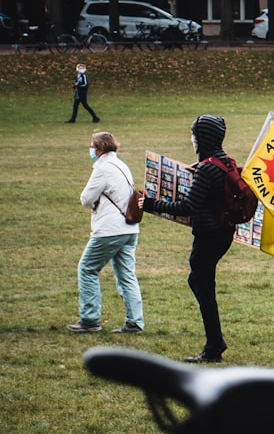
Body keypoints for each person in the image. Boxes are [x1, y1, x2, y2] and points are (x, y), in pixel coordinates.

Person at [141, 115, 235, 363]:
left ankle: (214, 346)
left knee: (203, 286)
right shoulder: (225, 162)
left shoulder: (206, 169)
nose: (192, 139)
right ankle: (215, 342)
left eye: (194, 135)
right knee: (199, 281)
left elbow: (188, 207)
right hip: (224, 232)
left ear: (202, 138)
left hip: (208, 235)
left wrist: (151, 205)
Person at [69, 131, 144, 333]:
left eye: (92, 146)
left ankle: (90, 319)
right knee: (126, 274)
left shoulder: (102, 168)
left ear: (99, 149)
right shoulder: (121, 165)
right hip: (130, 228)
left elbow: (86, 198)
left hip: (110, 229)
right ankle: (135, 321)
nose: (91, 150)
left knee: (87, 268)